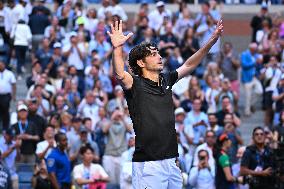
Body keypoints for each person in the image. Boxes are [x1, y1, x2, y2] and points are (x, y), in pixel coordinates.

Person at [107, 19, 223, 188]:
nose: (159, 56)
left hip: (172, 161)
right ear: (141, 63)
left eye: (158, 53)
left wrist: (212, 41)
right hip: (148, 164)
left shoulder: (166, 79)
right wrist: (117, 48)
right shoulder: (135, 84)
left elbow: (189, 64)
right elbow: (119, 73)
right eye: (153, 54)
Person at [0, 60, 16, 131]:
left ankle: (5, 127)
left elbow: (14, 84)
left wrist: (14, 95)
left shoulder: (9, 73)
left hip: (6, 95)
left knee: (5, 111)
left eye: (1, 65)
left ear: (4, 65)